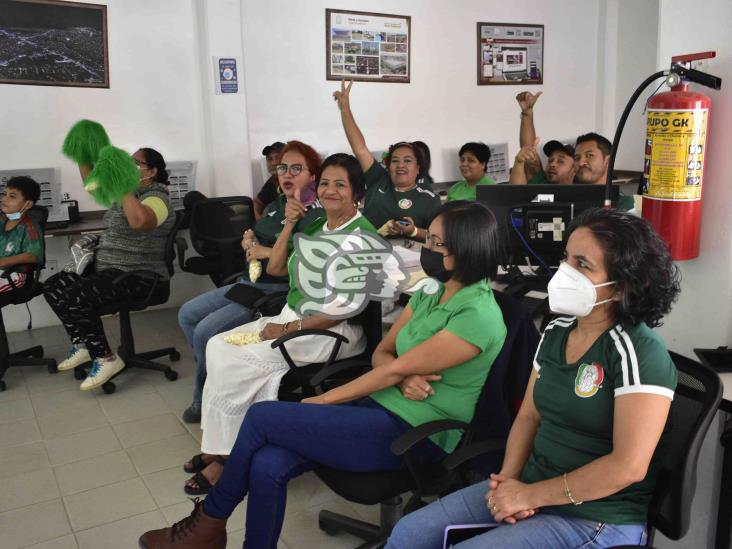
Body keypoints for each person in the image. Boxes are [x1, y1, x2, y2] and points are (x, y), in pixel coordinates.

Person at [139, 200, 508, 549]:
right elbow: (383, 354)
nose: (425, 246)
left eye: (435, 242)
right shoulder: (430, 290)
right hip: (376, 408)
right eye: (428, 238)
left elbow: (392, 366)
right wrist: (401, 375)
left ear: (468, 248)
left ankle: (208, 521)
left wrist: (319, 402)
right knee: (268, 462)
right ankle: (231, 537)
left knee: (263, 415)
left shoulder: (477, 315)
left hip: (414, 434)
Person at [385, 207, 681, 549]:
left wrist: (529, 496)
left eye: (582, 265)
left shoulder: (638, 352)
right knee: (408, 533)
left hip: (595, 516)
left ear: (622, 287)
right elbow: (528, 415)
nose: (565, 272)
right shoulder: (557, 331)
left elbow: (627, 467)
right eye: (567, 258)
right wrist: (508, 481)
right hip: (530, 485)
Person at [181, 153, 377, 495]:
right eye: (325, 183)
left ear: (357, 193)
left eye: (340, 184)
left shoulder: (360, 237)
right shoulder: (318, 226)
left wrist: (284, 330)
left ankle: (228, 460)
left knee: (236, 361)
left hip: (327, 332)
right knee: (216, 345)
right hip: (294, 317)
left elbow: (341, 311)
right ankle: (222, 444)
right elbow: (275, 271)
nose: (330, 190)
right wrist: (287, 225)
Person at [177, 140, 324, 424]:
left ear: (312, 175)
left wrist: (264, 252)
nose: (287, 173)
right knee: (187, 315)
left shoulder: (315, 213)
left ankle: (202, 396)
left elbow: (304, 262)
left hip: (276, 289)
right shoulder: (277, 203)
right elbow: (260, 233)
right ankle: (214, 376)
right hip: (251, 280)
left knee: (205, 332)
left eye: (297, 168)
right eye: (283, 167)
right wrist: (249, 239)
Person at [43, 147, 176, 390]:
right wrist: (83, 151)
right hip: (109, 268)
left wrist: (124, 186)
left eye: (135, 163)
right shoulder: (126, 193)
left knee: (76, 295)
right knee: (54, 286)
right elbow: (91, 181)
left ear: (152, 171)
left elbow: (140, 221)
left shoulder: (158, 197)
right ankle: (83, 344)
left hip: (140, 275)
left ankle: (106, 358)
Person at [334, 79, 441, 241]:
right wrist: (345, 109)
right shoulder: (378, 179)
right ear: (388, 165)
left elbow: (439, 239)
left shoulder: (429, 198)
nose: (400, 165)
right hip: (367, 250)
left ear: (418, 168)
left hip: (410, 259)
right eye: (395, 161)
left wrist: (413, 231)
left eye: (407, 161)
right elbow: (360, 148)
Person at [508, 91, 576, 185]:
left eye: (561, 161)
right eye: (550, 160)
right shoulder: (541, 181)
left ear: (575, 169)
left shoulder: (583, 193)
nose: (552, 164)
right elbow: (527, 149)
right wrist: (527, 112)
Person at [0, 176, 43, 293]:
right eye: (5, 194)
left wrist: (3, 261)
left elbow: (33, 255)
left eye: (12, 196)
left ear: (28, 205)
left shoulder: (30, 227)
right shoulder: (2, 220)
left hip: (14, 275)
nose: (4, 199)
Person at [574, 132, 635, 210]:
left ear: (608, 161)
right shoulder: (569, 201)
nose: (581, 163)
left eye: (590, 155)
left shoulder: (626, 205)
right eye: (577, 158)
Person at [253, 141, 286, 220]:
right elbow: (257, 203)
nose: (273, 163)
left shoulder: (297, 180)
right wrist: (260, 224)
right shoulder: (272, 181)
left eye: (278, 158)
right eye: (269, 159)